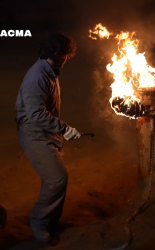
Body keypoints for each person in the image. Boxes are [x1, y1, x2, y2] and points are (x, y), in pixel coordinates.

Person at [15, 32, 81, 243]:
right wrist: (64, 128)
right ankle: (39, 221)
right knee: (57, 177)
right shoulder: (37, 77)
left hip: (44, 131)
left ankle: (52, 222)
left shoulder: (50, 70)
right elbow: (35, 114)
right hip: (33, 132)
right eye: (66, 55)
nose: (68, 59)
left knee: (53, 178)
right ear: (55, 53)